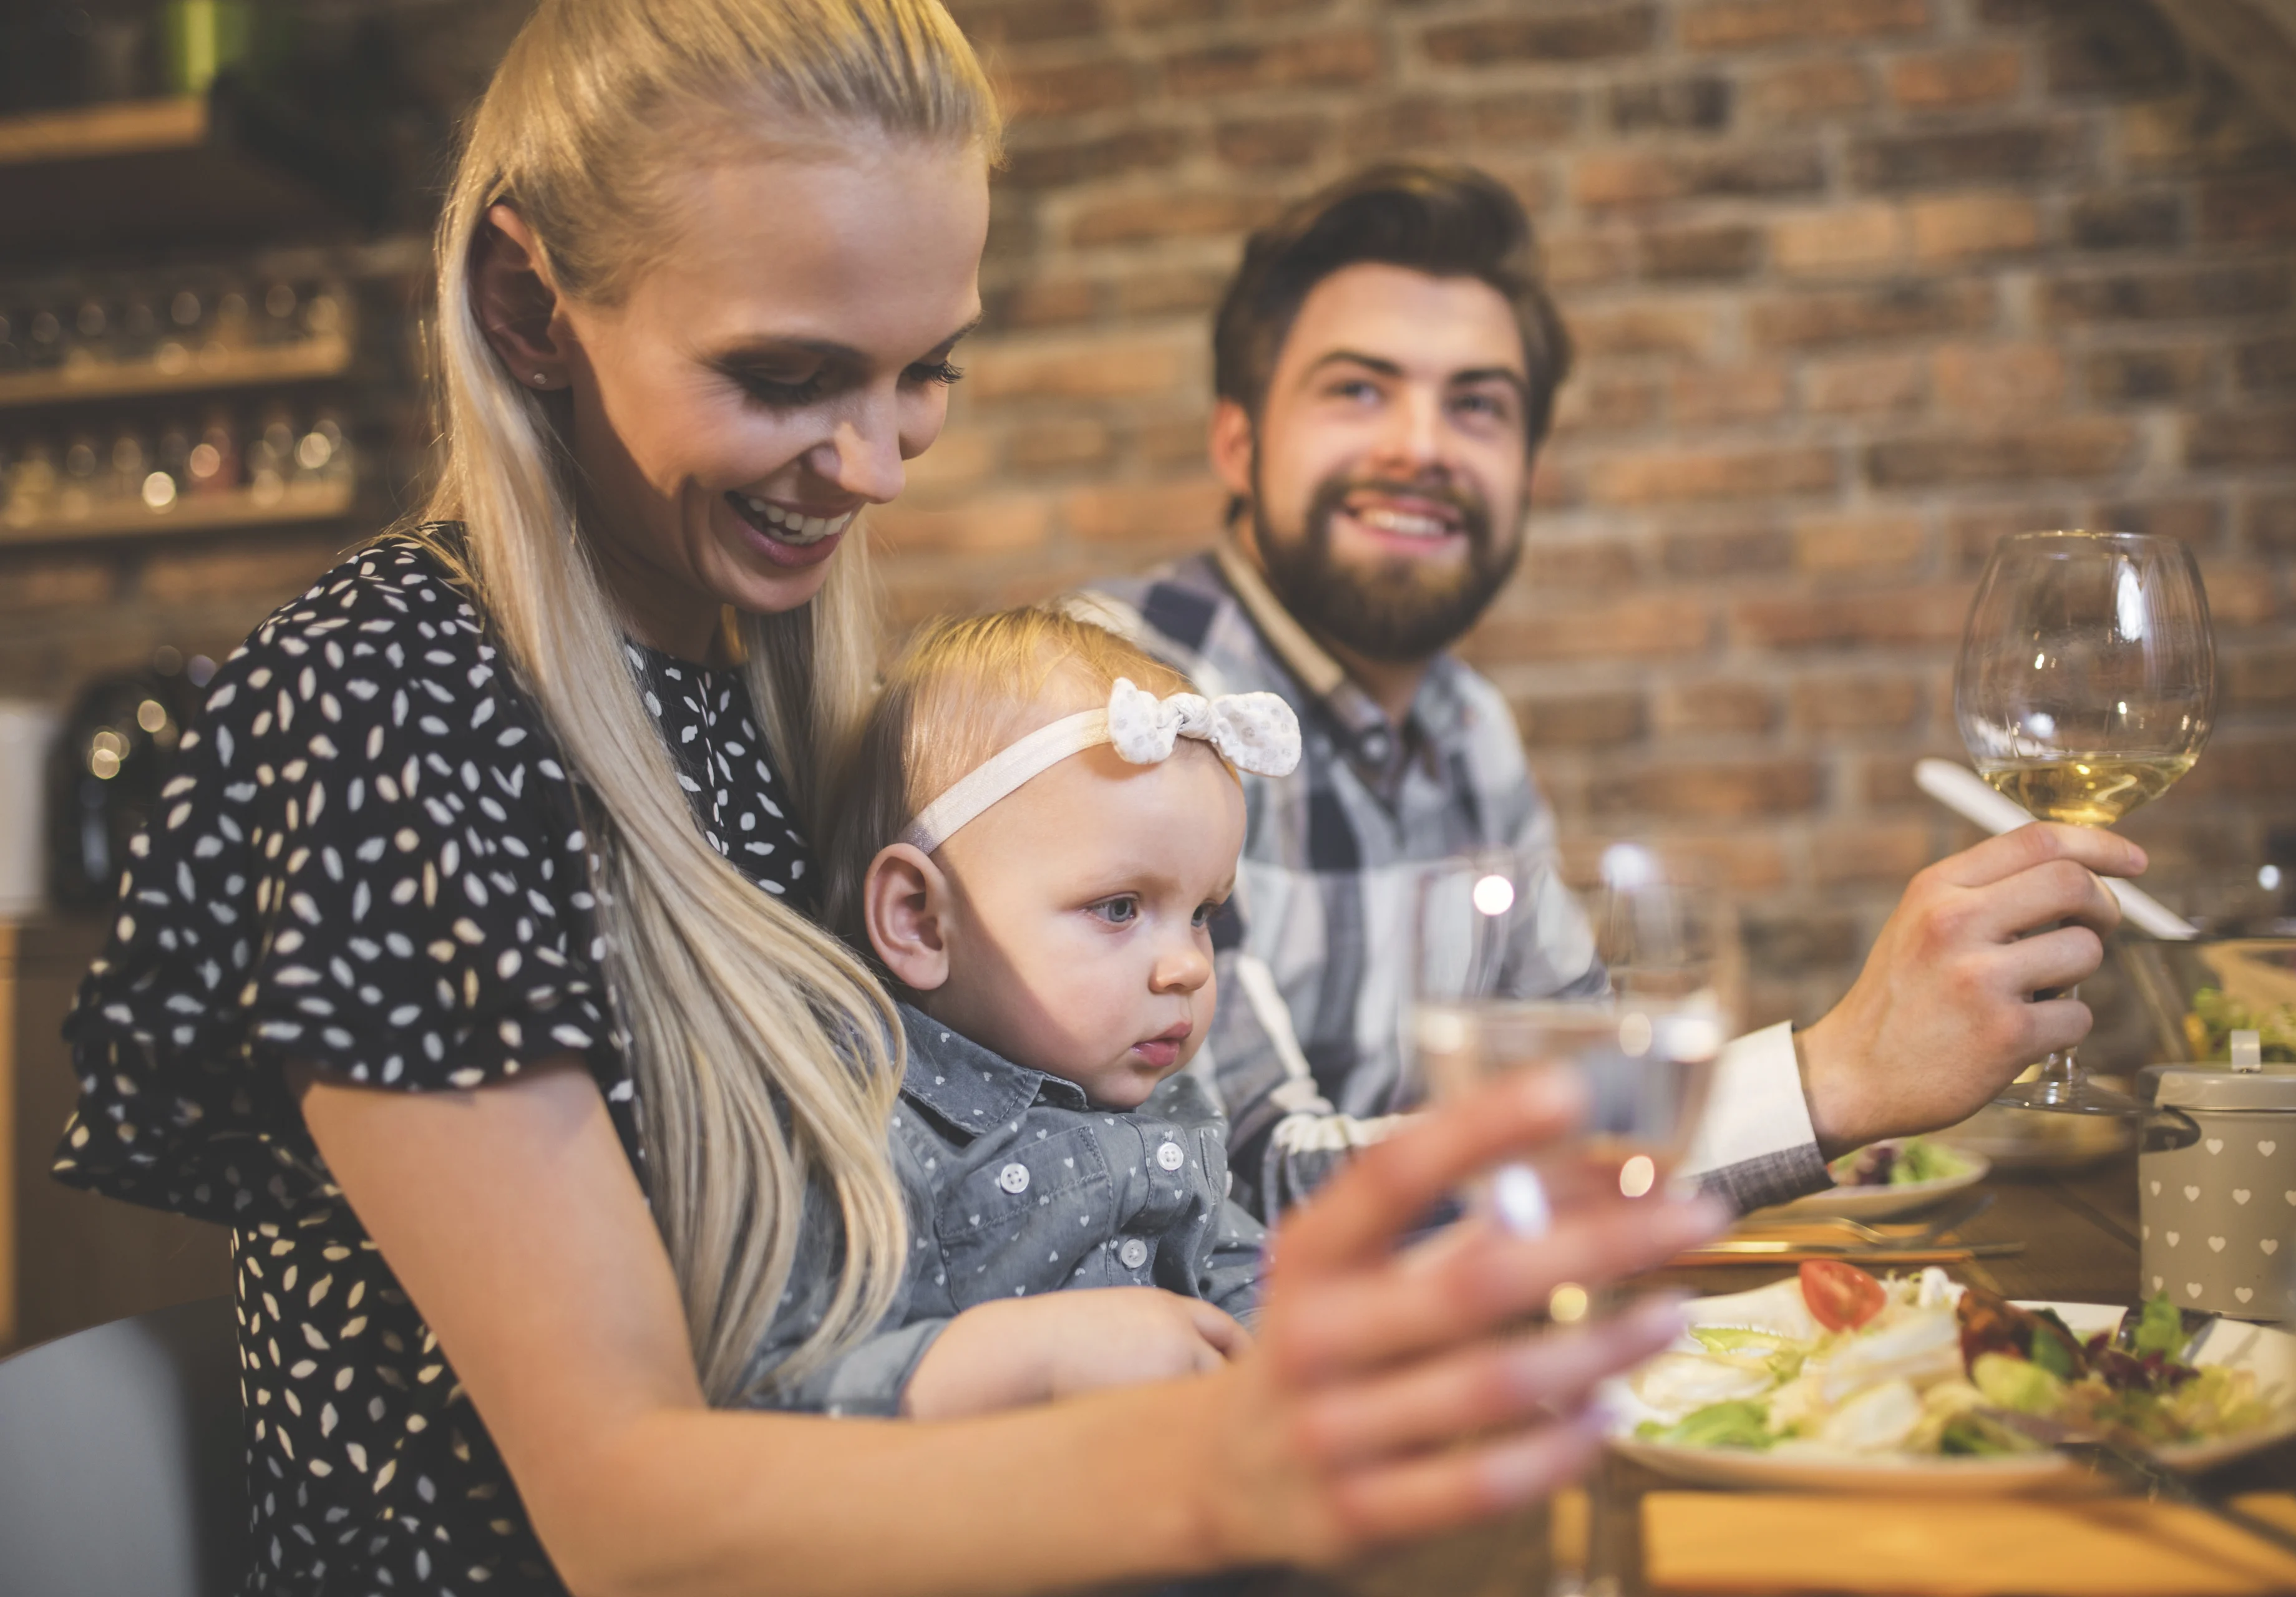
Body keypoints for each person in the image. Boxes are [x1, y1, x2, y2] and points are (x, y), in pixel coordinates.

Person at [47, 7, 1724, 1593]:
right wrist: (1214, 1462)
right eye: (786, 378)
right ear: (530, 308)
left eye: (929, 370)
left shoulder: (768, 674)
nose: (874, 466)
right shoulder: (381, 704)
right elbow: (630, 1524)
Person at [1078, 162, 2145, 1221]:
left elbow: (1574, 1087)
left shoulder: (1470, 724)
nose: (1422, 447)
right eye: (1359, 390)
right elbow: (1233, 1194)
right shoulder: (1124, 698)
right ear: (1238, 439)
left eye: (1479, 407)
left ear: (1529, 473)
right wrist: (1834, 1075)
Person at [754, 608, 1302, 1418]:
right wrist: (1030, 1359)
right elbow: (779, 1395)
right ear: (920, 921)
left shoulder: (1169, 1110)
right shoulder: (868, 1138)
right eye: (1119, 908)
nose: (1188, 965)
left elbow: (1234, 1270)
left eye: (1203, 914)